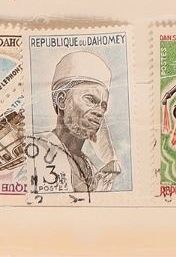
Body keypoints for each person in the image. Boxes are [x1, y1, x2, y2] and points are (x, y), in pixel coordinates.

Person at [34, 50, 123, 194]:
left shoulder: (90, 168)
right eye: (90, 99)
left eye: (103, 106)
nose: (100, 112)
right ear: (61, 100)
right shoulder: (35, 149)